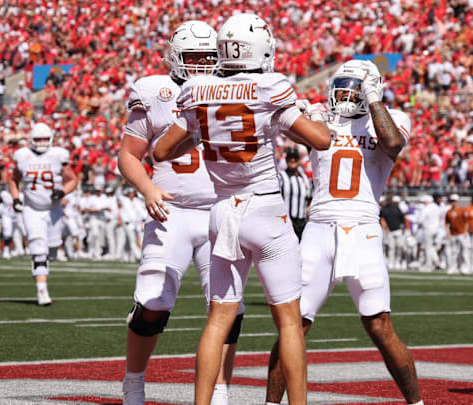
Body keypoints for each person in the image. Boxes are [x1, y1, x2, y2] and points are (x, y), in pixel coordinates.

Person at [154, 13, 331, 405]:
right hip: (265, 210)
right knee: (288, 319)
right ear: (262, 49)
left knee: (218, 319)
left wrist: (201, 133)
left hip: (222, 211)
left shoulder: (199, 89)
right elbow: (319, 141)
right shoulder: (269, 87)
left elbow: (161, 150)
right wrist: (316, 119)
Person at [264, 59, 423, 405]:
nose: (347, 95)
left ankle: (417, 404)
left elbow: (393, 144)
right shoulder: (322, 118)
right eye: (343, 87)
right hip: (319, 228)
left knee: (379, 325)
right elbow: (281, 125)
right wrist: (297, 113)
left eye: (356, 88)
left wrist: (374, 99)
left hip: (363, 228)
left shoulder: (391, 119)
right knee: (295, 324)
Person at [117, 20, 245, 405]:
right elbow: (128, 154)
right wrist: (148, 187)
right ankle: (134, 382)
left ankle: (220, 390)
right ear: (175, 57)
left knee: (228, 309)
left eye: (210, 56)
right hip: (169, 213)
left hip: (219, 212)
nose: (203, 64)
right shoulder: (154, 90)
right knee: (152, 302)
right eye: (194, 57)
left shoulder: (231, 88)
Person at [9, 122, 77, 306]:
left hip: (53, 209)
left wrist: (62, 192)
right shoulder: (23, 156)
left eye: (44, 139)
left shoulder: (58, 155)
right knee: (38, 249)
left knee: (52, 251)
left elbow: (72, 180)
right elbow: (13, 180)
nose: (41, 142)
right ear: (31, 139)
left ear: (51, 139)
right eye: (37, 139)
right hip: (32, 209)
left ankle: (46, 264)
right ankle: (42, 292)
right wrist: (16, 199)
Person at [277, 147, 312, 240]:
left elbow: (310, 200)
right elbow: (276, 200)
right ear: (286, 159)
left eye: (295, 158)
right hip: (286, 222)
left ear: (299, 160)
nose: (292, 160)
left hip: (302, 223)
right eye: (290, 157)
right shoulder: (281, 177)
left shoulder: (305, 179)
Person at [445, 193, 469, 273]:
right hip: (453, 234)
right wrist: (447, 232)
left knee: (464, 251)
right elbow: (446, 223)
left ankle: (465, 267)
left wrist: (465, 232)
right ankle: (453, 267)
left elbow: (466, 222)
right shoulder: (448, 212)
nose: (452, 203)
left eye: (454, 201)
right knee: (454, 252)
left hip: (462, 234)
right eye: (451, 201)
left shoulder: (462, 210)